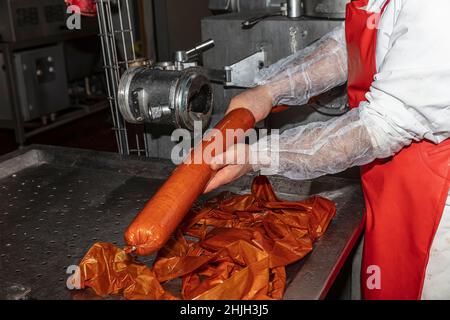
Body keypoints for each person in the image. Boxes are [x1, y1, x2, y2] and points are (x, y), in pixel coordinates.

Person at [204, 0, 450, 300]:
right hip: (393, 183)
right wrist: (268, 91)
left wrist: (254, 157)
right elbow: (347, 47)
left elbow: (375, 128)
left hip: (436, 203)